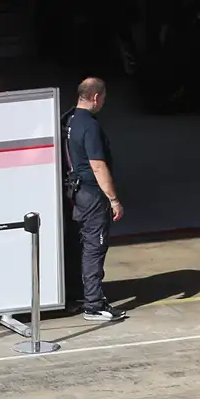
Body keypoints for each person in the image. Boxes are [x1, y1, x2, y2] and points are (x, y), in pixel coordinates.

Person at [65, 77, 127, 321]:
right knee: (94, 247)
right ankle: (94, 304)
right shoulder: (90, 126)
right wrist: (113, 199)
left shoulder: (69, 120)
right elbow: (98, 165)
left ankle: (79, 294)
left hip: (76, 193)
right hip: (92, 195)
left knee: (80, 246)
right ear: (95, 97)